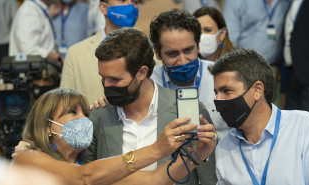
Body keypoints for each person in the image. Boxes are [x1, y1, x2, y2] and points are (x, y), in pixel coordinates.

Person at [83, 27, 218, 185]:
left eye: (115, 79)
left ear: (142, 73)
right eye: (103, 78)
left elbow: (208, 178)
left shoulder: (185, 110)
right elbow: (87, 176)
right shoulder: (98, 115)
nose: (106, 85)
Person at [13, 88, 216, 185]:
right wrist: (157, 149)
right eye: (72, 113)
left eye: (85, 112)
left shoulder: (90, 166)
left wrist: (196, 156)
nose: (84, 119)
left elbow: (156, 178)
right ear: (48, 125)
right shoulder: (28, 157)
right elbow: (84, 178)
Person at [210, 48, 309, 184]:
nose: (217, 100)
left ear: (257, 90)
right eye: (216, 92)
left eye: (226, 91)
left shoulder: (304, 128)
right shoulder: (225, 146)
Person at [149, 9, 229, 142]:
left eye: (188, 50)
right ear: (157, 53)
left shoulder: (222, 77)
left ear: (198, 46)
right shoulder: (147, 84)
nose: (182, 61)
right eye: (172, 53)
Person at [60, 0, 139, 104]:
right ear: (103, 7)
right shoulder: (76, 54)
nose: (130, 4)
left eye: (134, 1)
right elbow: (65, 104)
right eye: (123, 0)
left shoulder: (150, 52)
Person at [223, 0, 291, 104]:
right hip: (244, 69)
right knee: (245, 113)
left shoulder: (285, 2)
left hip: (272, 69)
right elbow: (229, 40)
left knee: (269, 114)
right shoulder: (236, 2)